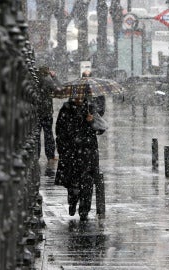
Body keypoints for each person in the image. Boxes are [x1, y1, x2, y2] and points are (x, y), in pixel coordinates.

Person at [54, 72, 105, 221]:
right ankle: (72, 201)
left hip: (88, 152)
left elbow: (101, 129)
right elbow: (59, 131)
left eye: (80, 96)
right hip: (71, 153)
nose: (78, 99)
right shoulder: (65, 110)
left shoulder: (90, 109)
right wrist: (63, 149)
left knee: (87, 183)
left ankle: (84, 210)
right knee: (73, 183)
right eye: (76, 96)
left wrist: (91, 121)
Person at [35, 66, 62, 175]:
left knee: (36, 135)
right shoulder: (47, 79)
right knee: (48, 134)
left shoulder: (35, 79)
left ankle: (36, 155)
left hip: (36, 111)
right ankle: (50, 155)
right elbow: (58, 88)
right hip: (46, 111)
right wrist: (54, 77)